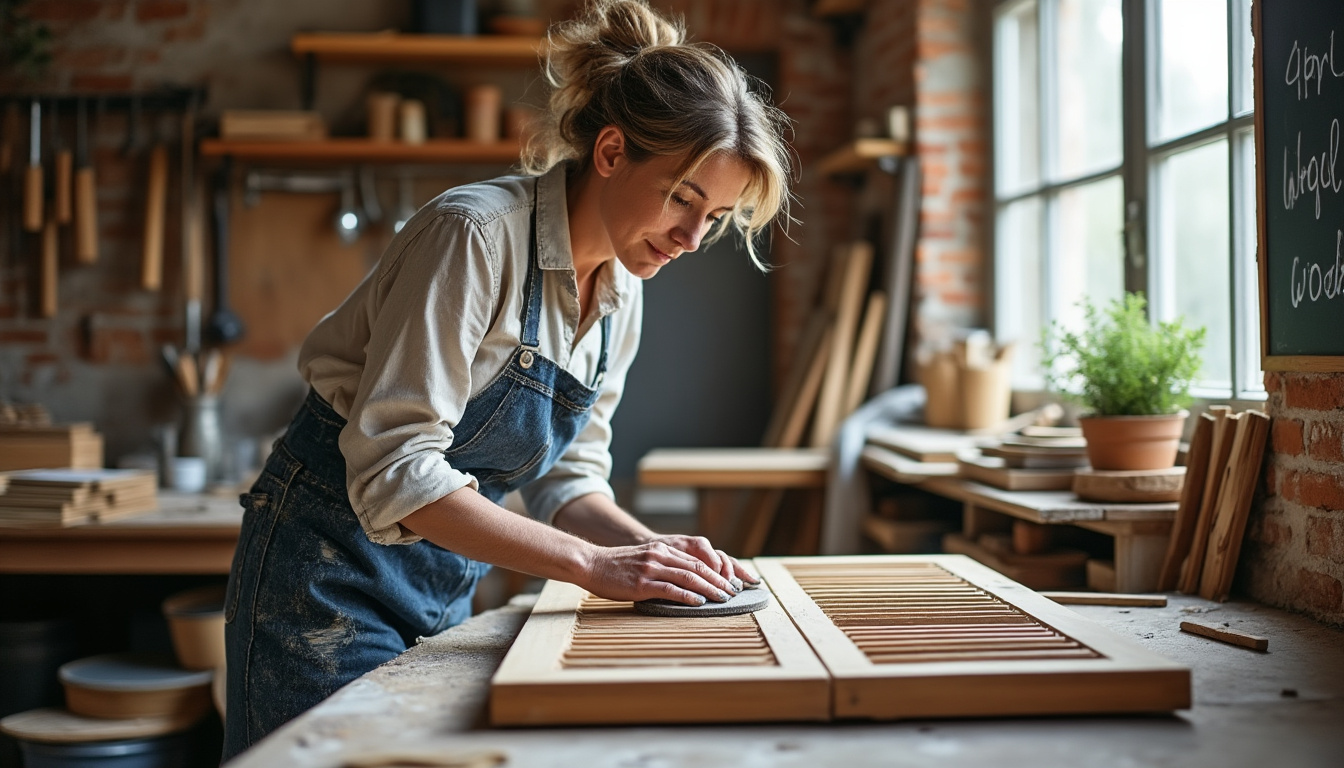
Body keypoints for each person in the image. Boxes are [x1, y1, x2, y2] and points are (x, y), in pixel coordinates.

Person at [221, 0, 794, 759]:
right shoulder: (475, 236)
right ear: (613, 152)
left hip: (440, 587)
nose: (692, 239)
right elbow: (397, 469)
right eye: (683, 197)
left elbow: (569, 480)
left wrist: (654, 555)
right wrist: (595, 567)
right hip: (322, 582)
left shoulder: (625, 290)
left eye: (715, 216)